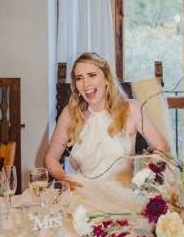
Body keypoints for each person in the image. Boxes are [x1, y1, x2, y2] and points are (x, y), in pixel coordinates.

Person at [44, 52, 170, 187]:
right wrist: (70, 183)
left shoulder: (130, 109)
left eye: (92, 75)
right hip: (83, 197)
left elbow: (163, 146)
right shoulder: (70, 113)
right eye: (79, 78)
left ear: (106, 79)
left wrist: (144, 174)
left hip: (123, 197)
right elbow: (50, 158)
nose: (86, 84)